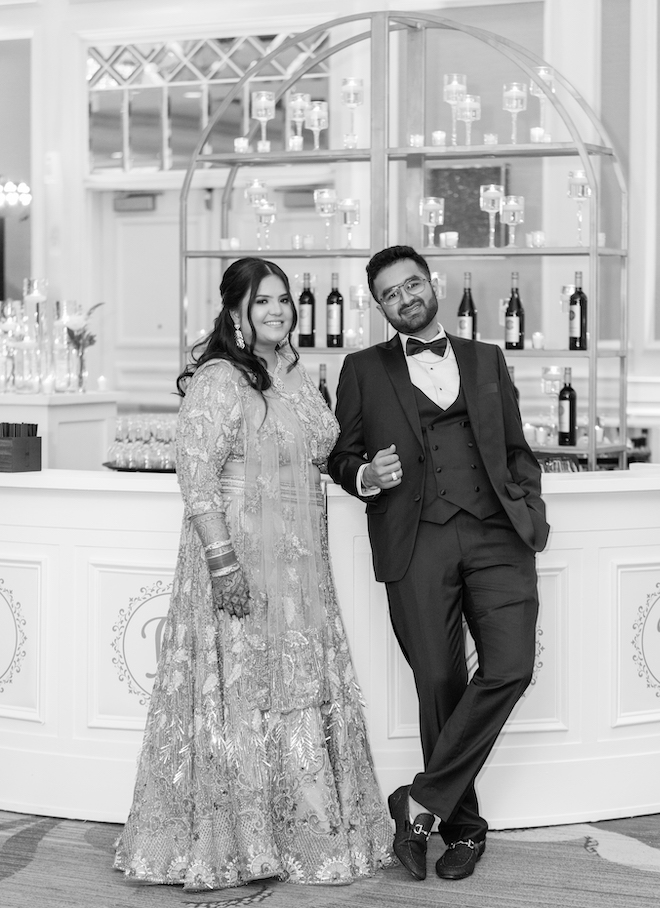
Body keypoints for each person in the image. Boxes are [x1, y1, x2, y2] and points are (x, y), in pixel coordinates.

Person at [114, 257, 393, 891]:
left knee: (294, 690)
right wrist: (221, 562)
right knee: (241, 693)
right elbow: (197, 476)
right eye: (263, 301)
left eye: (284, 301)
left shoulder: (295, 375)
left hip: (297, 569)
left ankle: (304, 832)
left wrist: (367, 475)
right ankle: (238, 841)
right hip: (238, 558)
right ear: (236, 311)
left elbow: (327, 451)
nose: (277, 311)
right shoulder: (218, 379)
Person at [328, 245, 549, 883]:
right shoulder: (363, 369)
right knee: (440, 686)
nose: (406, 297)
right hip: (415, 539)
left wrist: (530, 508)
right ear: (379, 306)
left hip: (496, 535)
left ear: (433, 284)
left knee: (511, 666)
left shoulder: (487, 358)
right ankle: (461, 828)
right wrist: (364, 473)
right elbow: (341, 456)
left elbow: (514, 445)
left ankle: (419, 800)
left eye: (413, 284)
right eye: (391, 293)